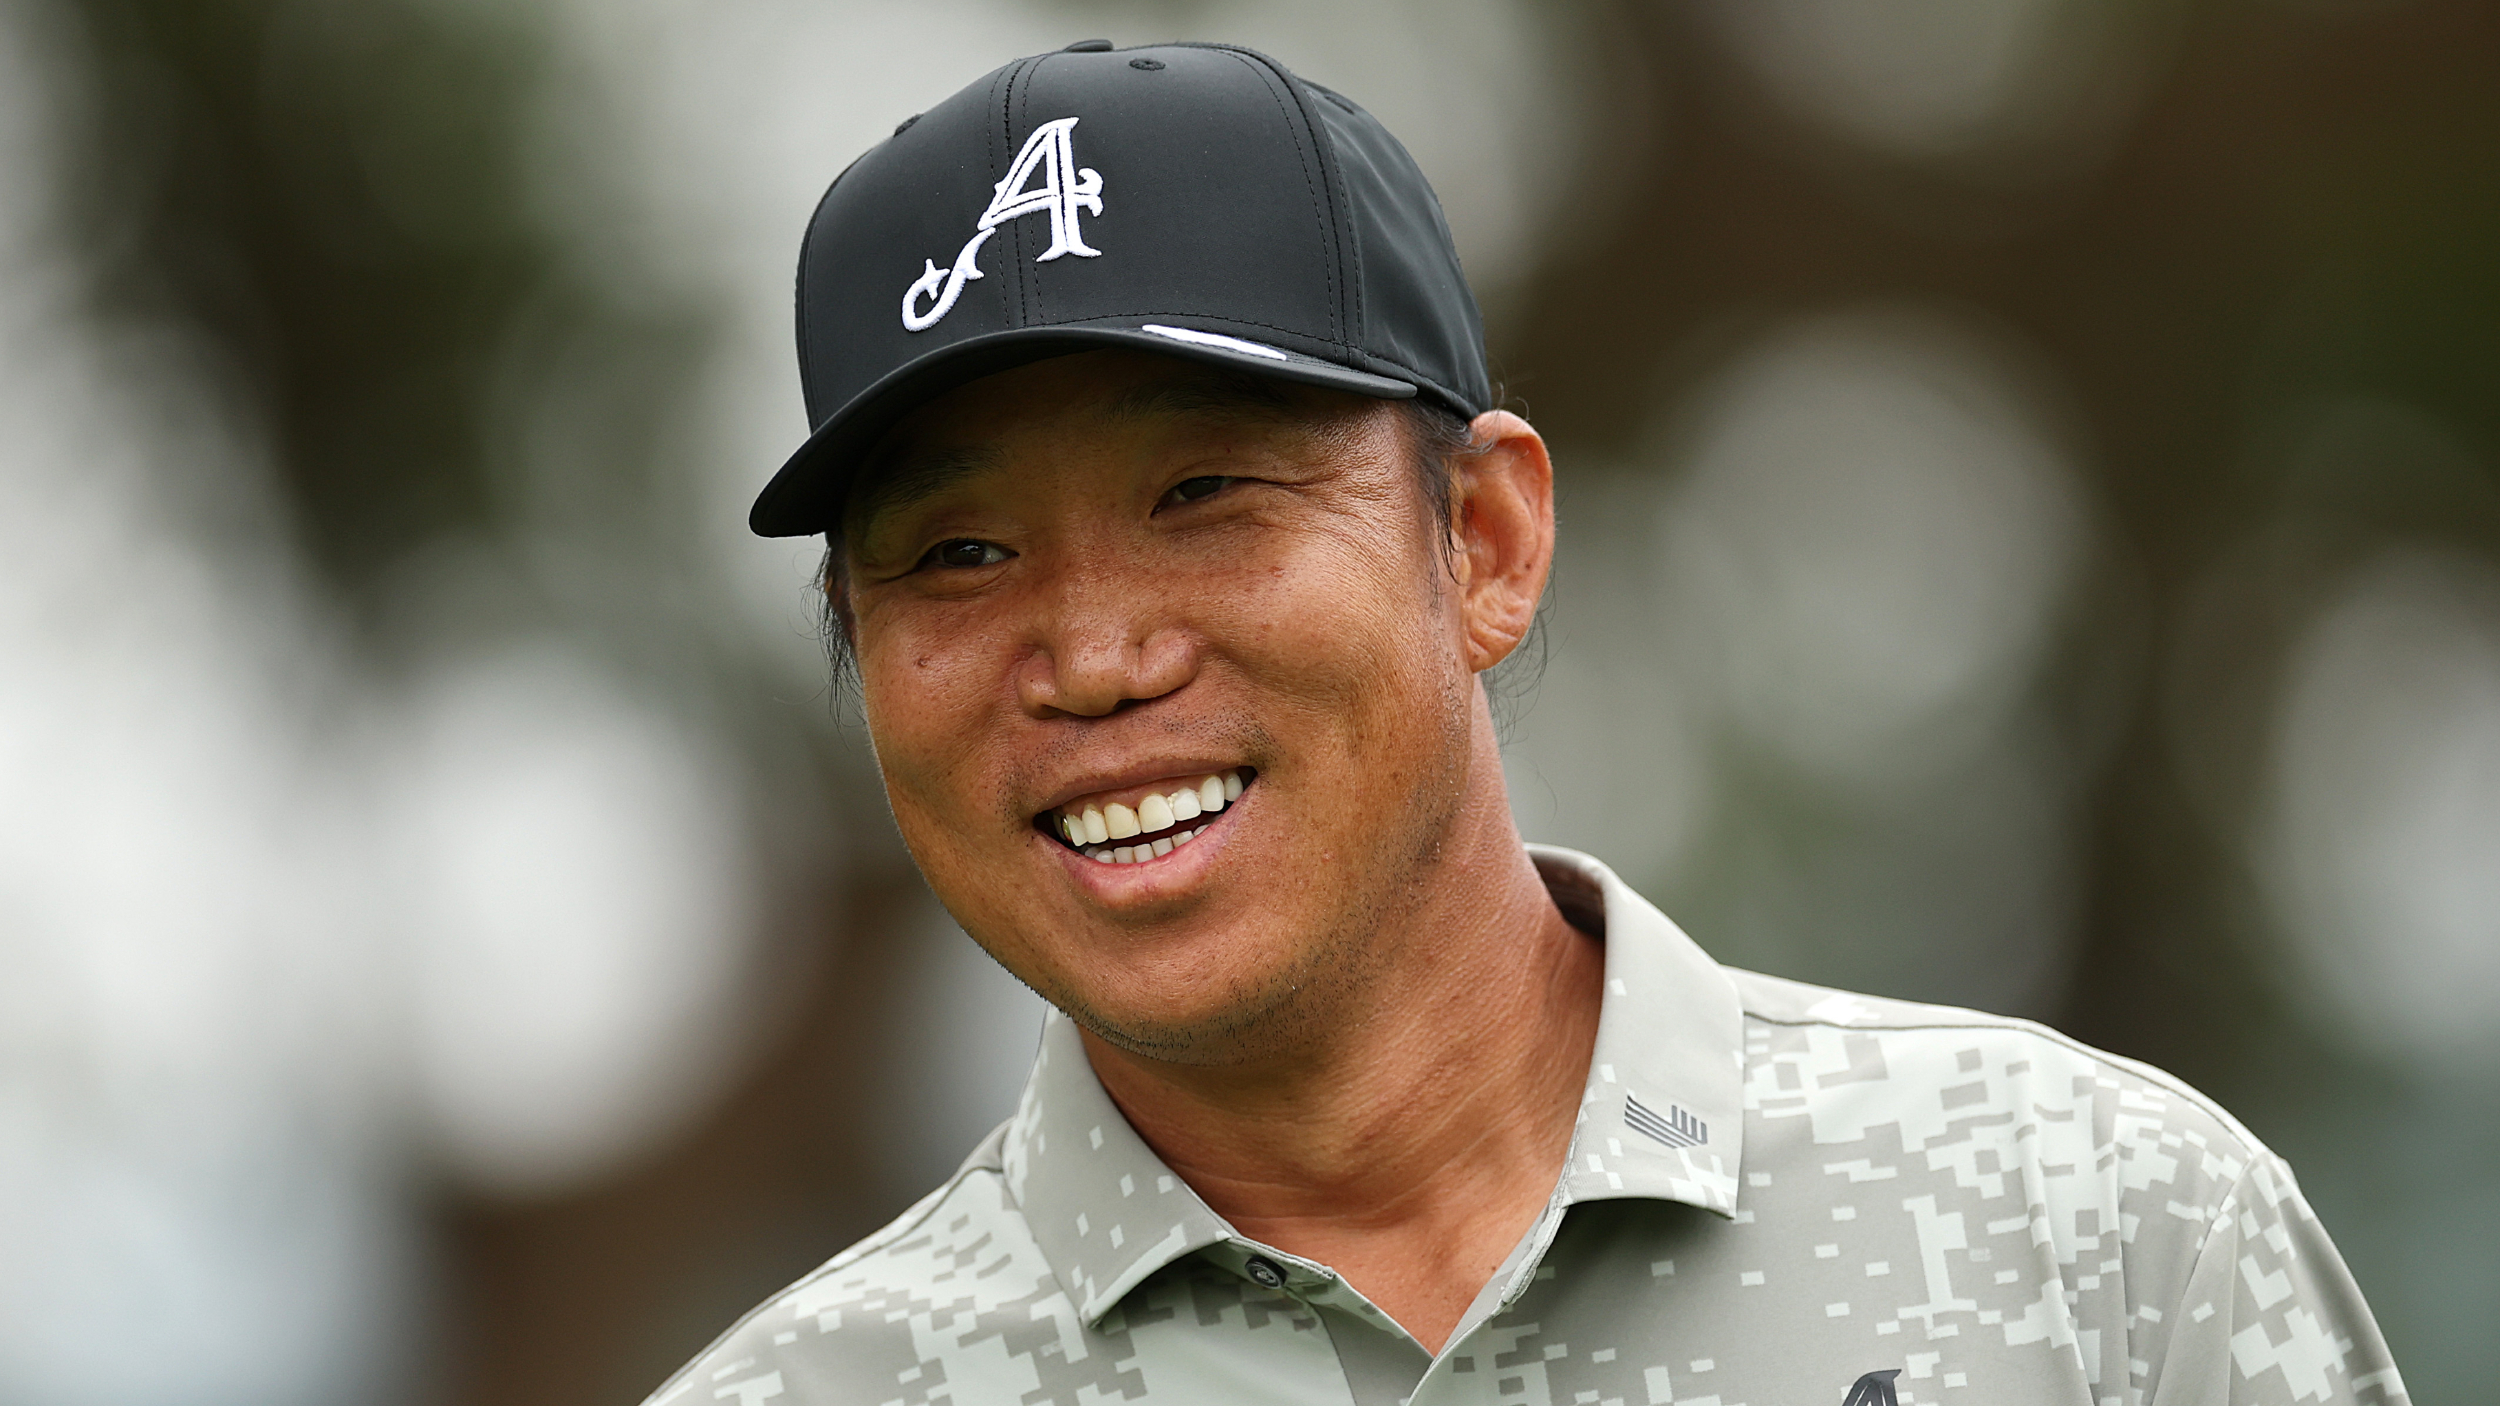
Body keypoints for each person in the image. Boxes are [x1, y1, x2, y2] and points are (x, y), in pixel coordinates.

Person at [648, 40, 2405, 1406]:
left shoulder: (2096, 1232)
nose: (1095, 656)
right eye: (958, 552)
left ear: (1483, 541)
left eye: (1207, 493)